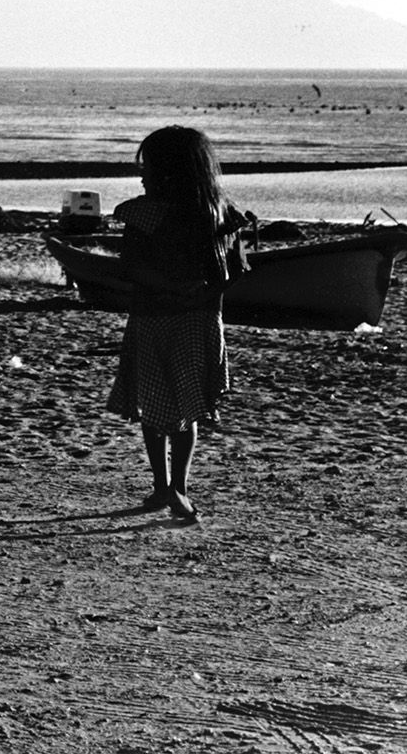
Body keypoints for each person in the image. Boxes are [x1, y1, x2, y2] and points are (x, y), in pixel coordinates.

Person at [106, 126, 248, 523]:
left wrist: (166, 285)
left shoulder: (145, 213)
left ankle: (164, 487)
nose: (142, 176)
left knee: (154, 409)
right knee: (186, 409)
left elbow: (130, 267)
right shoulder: (218, 211)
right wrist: (199, 295)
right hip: (199, 323)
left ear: (168, 172)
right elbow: (234, 271)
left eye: (148, 168)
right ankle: (176, 489)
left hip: (153, 321)